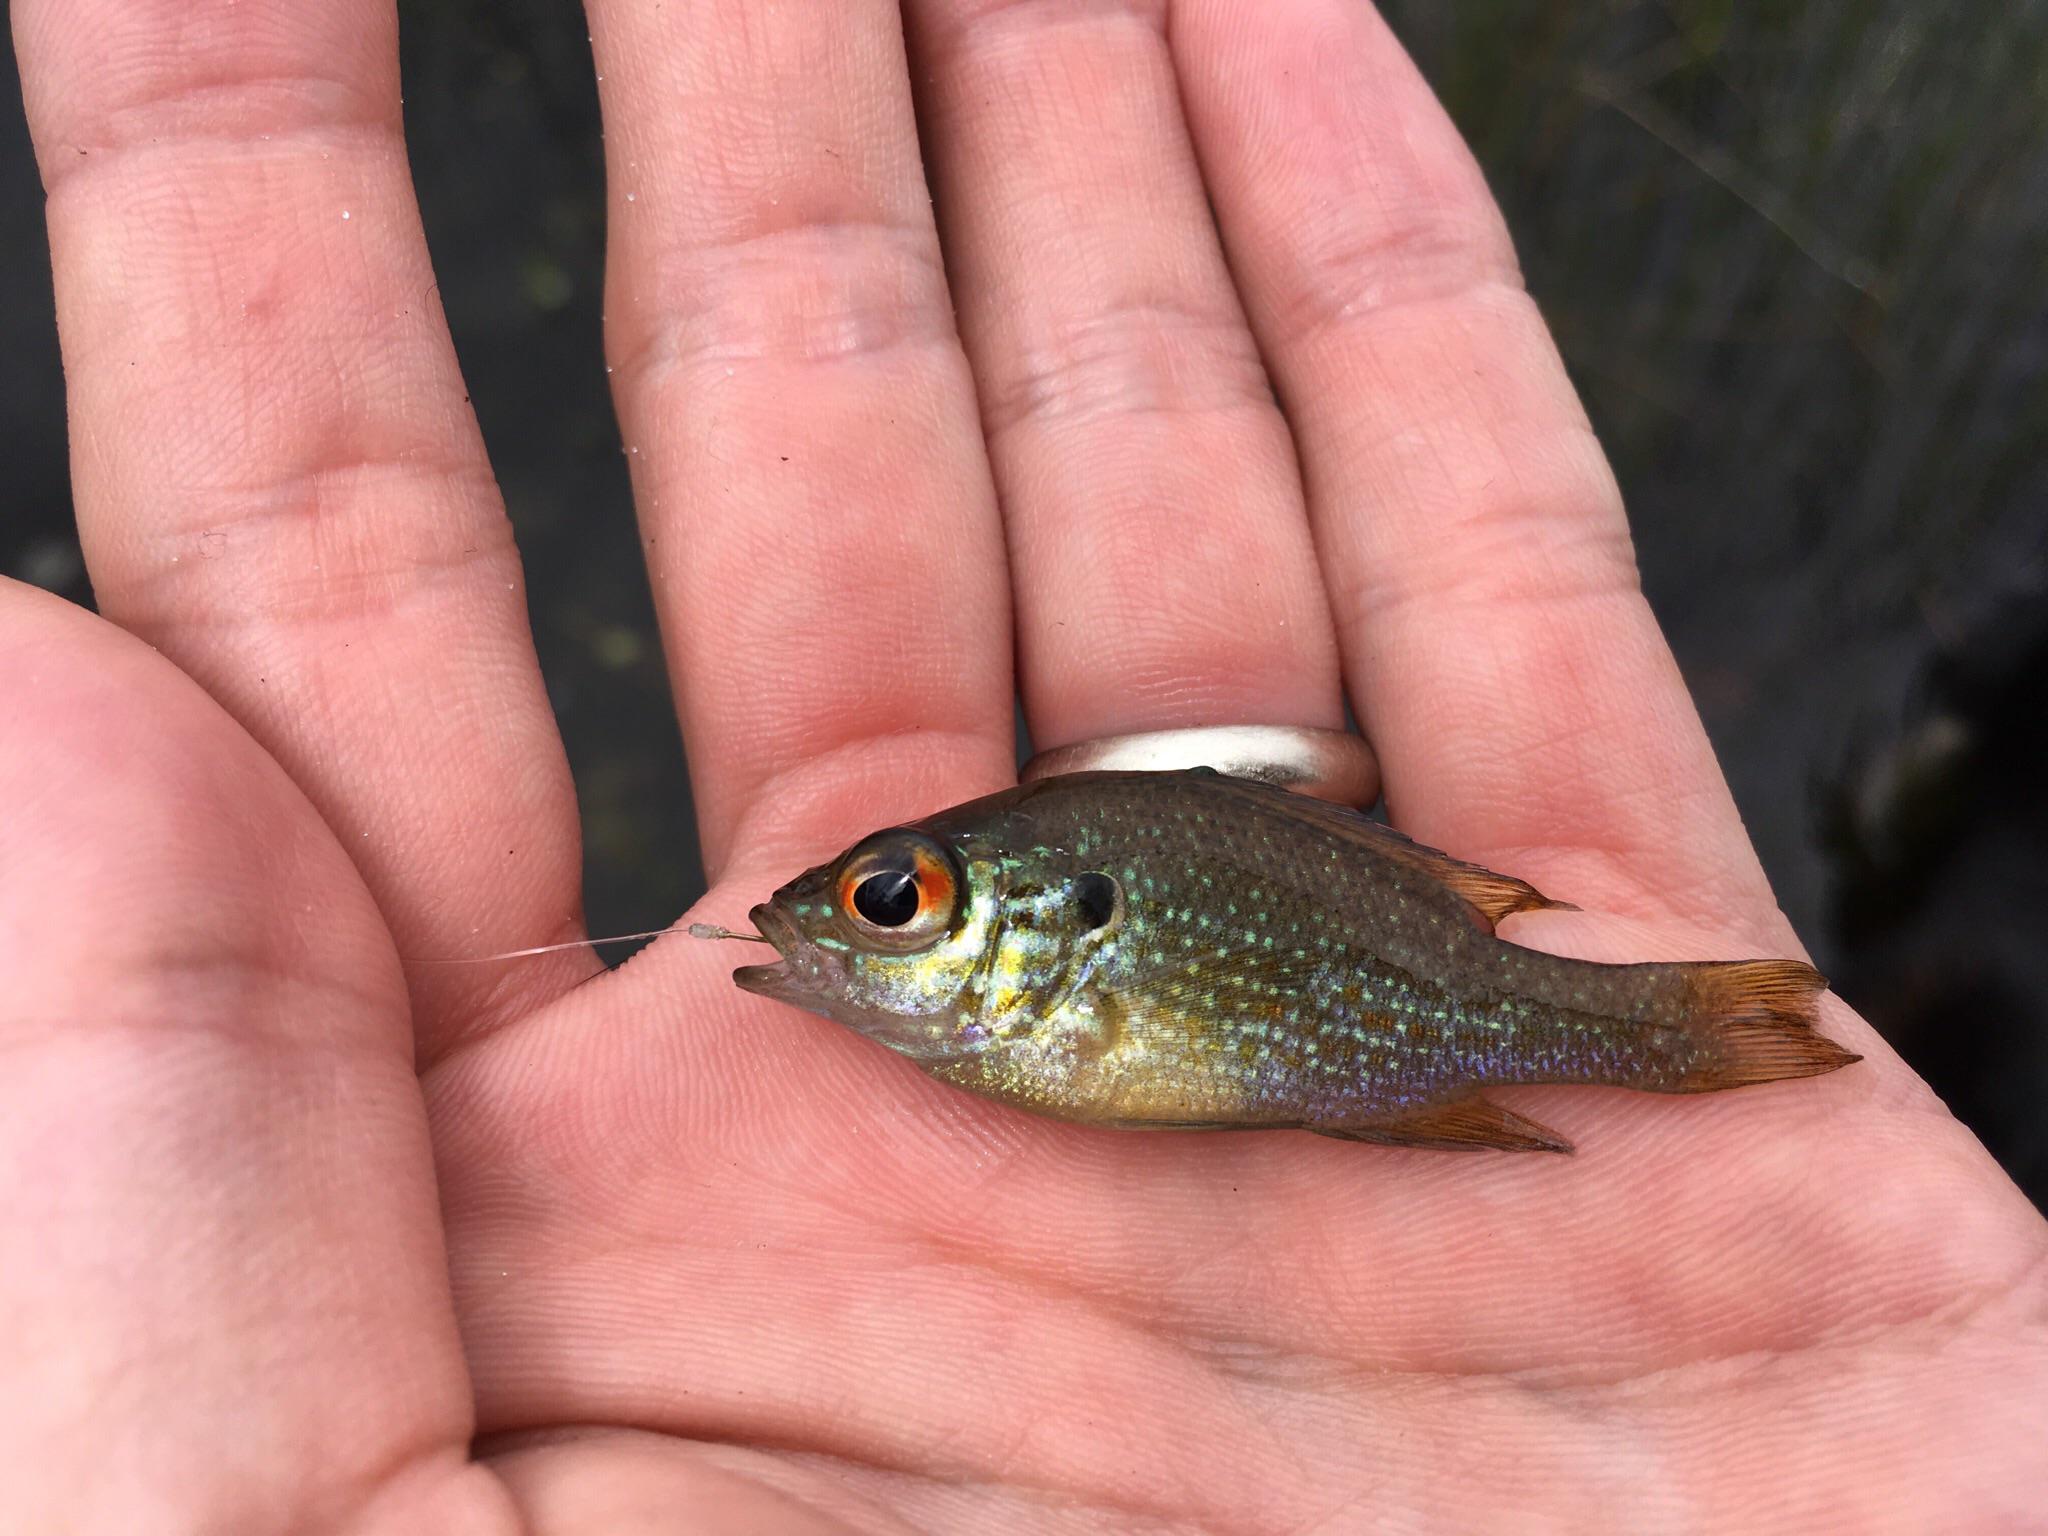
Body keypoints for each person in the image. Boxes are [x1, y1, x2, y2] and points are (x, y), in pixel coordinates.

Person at [5, 0, 2042, 1529]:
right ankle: (1697, 1033)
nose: (842, 925)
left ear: (1039, 923)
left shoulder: (1073, 976)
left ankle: (1686, 1036)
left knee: (1630, 1019)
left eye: (890, 899)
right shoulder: (1014, 995)